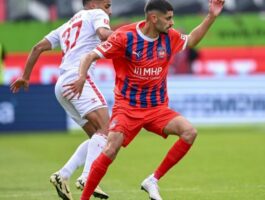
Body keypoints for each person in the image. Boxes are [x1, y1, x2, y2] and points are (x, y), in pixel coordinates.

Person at [64, 0, 225, 199]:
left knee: (189, 132)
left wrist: (212, 16)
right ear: (153, 18)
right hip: (128, 108)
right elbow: (89, 56)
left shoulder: (169, 37)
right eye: (168, 18)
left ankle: (153, 180)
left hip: (157, 108)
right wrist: (81, 77)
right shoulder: (124, 37)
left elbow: (191, 40)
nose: (172, 23)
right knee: (110, 148)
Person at [10, 0, 114, 199]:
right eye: (107, 5)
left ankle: (63, 175)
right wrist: (129, 35)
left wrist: (25, 76)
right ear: (93, 4)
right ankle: (88, 177)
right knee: (106, 130)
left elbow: (37, 47)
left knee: (97, 137)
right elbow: (103, 34)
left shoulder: (67, 25)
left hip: (61, 85)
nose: (109, 10)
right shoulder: (96, 15)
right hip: (78, 79)